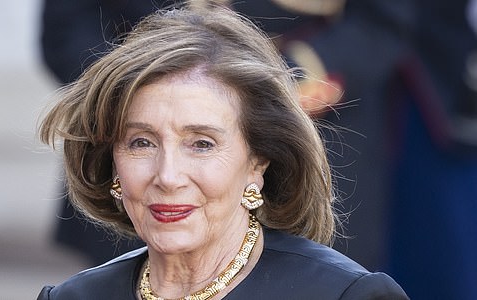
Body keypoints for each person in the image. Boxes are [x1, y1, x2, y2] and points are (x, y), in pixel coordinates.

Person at [36, 6, 407, 299]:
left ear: (258, 161)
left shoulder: (346, 296)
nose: (168, 176)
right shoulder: (72, 297)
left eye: (201, 144)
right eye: (141, 142)